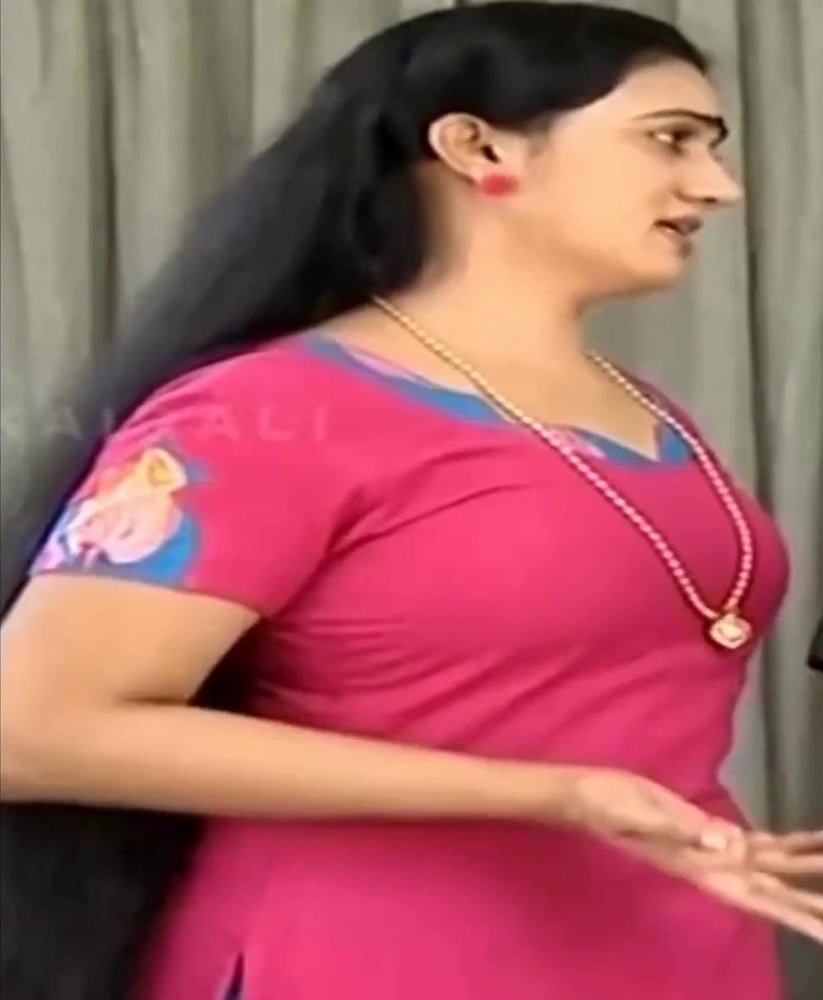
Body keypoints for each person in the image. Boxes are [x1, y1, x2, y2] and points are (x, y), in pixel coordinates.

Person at [1, 4, 821, 999]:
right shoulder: (261, 413)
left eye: (711, 146)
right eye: (669, 140)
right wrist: (552, 795)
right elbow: (31, 728)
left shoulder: (650, 413)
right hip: (372, 956)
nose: (716, 186)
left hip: (673, 951)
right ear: (477, 147)